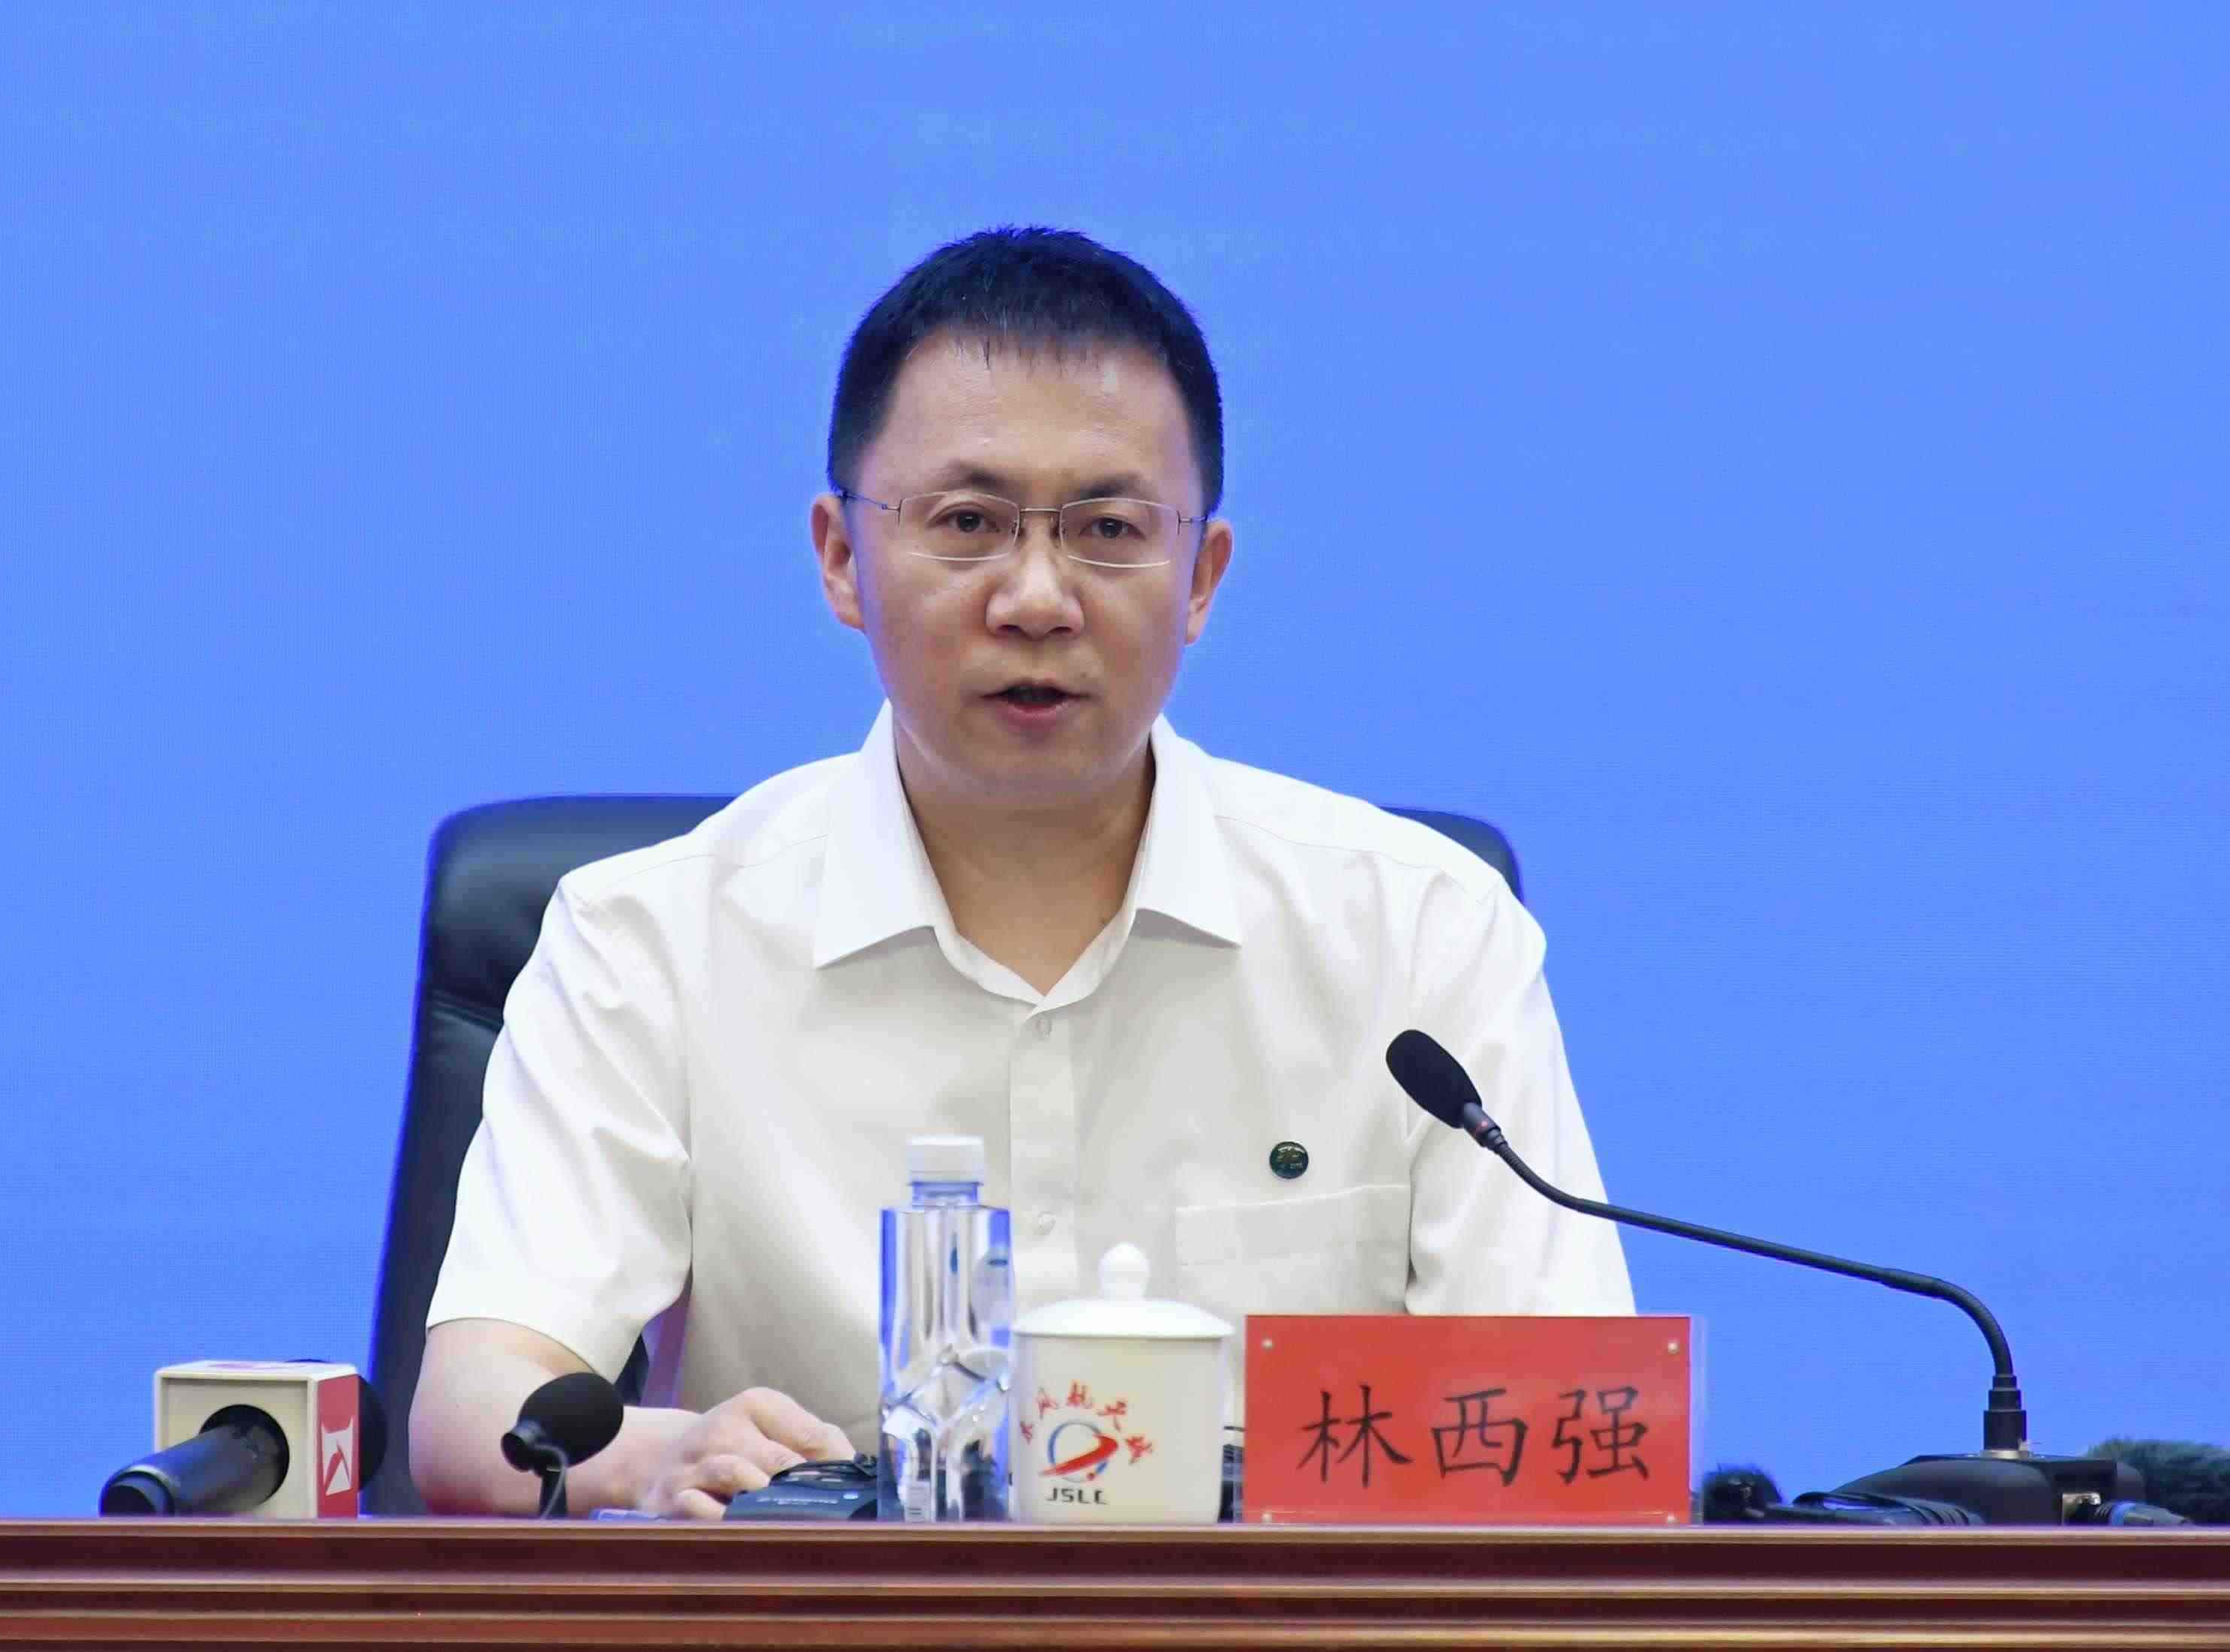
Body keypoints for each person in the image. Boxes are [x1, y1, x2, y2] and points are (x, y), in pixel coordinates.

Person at [410, 226, 1633, 1519]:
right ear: (840, 558)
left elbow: (1562, 1427)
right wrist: (655, 1458)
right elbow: (480, 1404)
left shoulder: (1419, 932)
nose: (1037, 598)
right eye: (967, 524)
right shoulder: (650, 939)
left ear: (1202, 578)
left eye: (1107, 529)